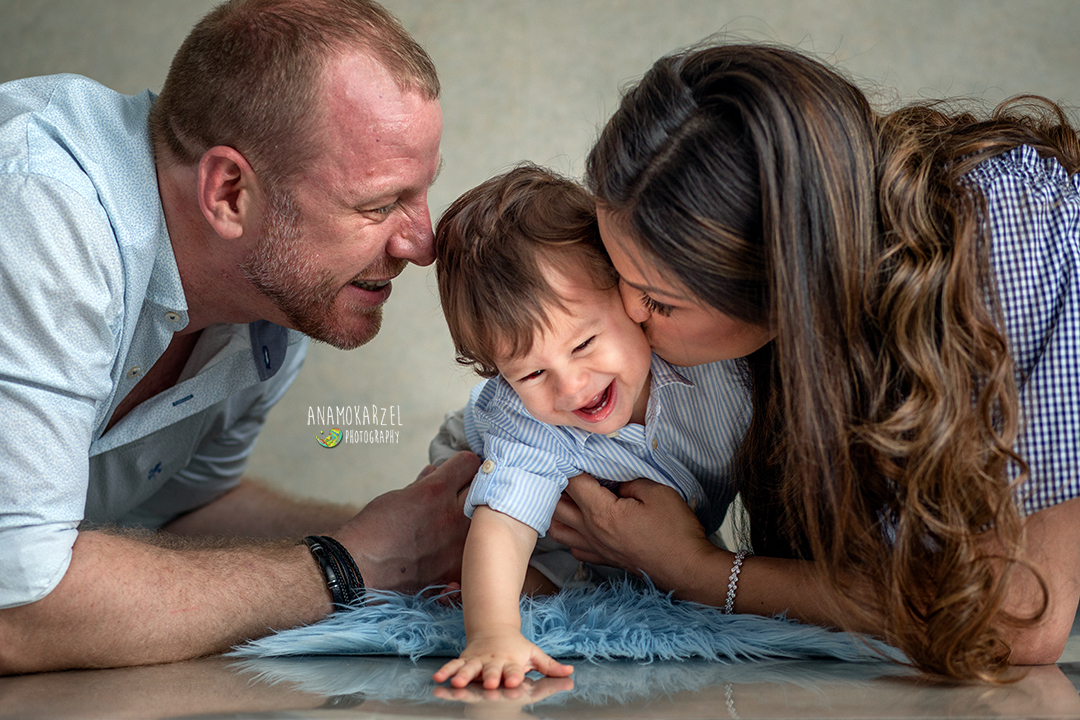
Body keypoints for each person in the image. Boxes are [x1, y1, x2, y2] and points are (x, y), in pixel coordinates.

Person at [546, 42, 1080, 680]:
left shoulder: (1016, 236)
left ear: (785, 283)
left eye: (658, 301)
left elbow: (1014, 619)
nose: (628, 314)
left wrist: (696, 571)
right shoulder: (804, 316)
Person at [0, 0, 481, 675]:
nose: (422, 244)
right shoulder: (41, 215)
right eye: (377, 205)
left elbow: (185, 512)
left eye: (421, 192)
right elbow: (17, 607)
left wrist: (431, 538)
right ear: (229, 192)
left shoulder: (272, 303)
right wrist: (353, 564)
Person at [429, 165, 749, 688]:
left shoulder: (713, 361)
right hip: (477, 451)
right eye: (532, 372)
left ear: (629, 295)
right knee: (510, 563)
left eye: (583, 344)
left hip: (638, 510)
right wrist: (491, 634)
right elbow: (503, 527)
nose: (573, 387)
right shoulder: (526, 418)